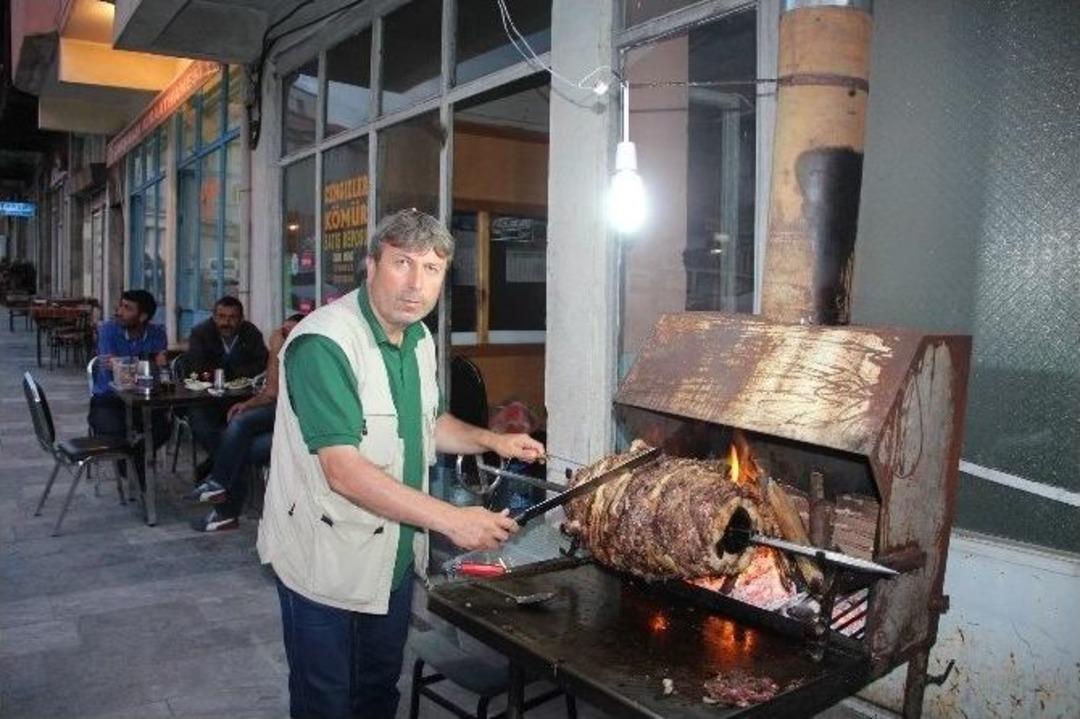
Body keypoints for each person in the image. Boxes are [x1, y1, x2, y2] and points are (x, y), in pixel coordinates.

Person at [257, 209, 544, 719]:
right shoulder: (324, 344)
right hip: (325, 559)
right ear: (370, 266)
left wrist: (491, 441)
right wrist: (454, 520)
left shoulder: (417, 339)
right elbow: (342, 469)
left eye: (432, 269)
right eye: (402, 263)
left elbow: (426, 423)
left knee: (377, 692)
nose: (416, 284)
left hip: (390, 560)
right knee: (325, 701)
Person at [187, 313, 305, 532]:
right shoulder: (287, 355)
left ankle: (223, 502)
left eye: (290, 333)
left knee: (240, 438)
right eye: (283, 332)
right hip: (283, 419)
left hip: (303, 430)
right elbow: (270, 394)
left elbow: (271, 394)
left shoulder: (310, 357)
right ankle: (221, 496)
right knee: (239, 430)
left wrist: (276, 351)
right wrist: (249, 403)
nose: (284, 336)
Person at [88, 289, 171, 488]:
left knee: (164, 429)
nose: (119, 311)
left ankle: (134, 459)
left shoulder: (157, 333)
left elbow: (155, 365)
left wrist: (127, 362)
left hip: (143, 399)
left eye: (127, 308)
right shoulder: (108, 329)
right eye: (121, 305)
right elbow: (114, 367)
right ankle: (135, 468)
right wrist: (147, 360)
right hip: (109, 398)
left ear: (142, 316)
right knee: (113, 434)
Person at [185, 296, 268, 479]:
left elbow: (262, 363)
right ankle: (225, 466)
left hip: (243, 398)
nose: (226, 322)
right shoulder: (200, 333)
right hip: (207, 399)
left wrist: (226, 373)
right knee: (201, 422)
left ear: (241, 318)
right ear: (214, 317)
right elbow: (198, 368)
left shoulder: (251, 332)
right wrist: (237, 372)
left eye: (232, 317)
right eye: (221, 317)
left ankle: (216, 465)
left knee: (249, 422)